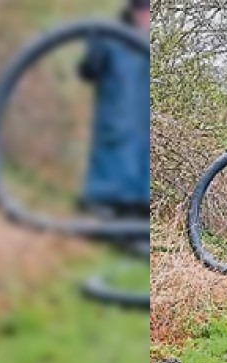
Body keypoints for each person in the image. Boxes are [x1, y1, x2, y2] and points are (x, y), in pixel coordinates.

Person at [78, 0, 151, 220]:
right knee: (111, 203)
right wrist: (94, 49)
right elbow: (87, 72)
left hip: (142, 142)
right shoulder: (110, 38)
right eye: (144, 12)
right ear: (134, 11)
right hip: (115, 131)